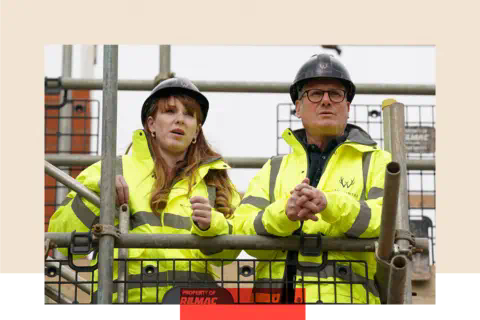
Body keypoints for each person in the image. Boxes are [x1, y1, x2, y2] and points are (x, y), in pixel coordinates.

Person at [48, 77, 241, 303]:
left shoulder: (215, 181)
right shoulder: (110, 170)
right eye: (170, 111)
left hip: (194, 306)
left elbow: (229, 254)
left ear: (197, 131)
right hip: (124, 302)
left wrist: (212, 225)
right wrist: (99, 196)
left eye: (189, 114)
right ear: (151, 124)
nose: (180, 119)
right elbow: (61, 233)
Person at [233, 54, 391, 305]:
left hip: (346, 304)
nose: (326, 101)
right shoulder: (273, 169)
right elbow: (241, 231)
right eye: (315, 93)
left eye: (335, 94)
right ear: (298, 107)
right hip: (274, 305)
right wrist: (285, 214)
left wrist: (330, 204)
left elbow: (387, 222)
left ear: (347, 107)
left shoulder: (377, 161)